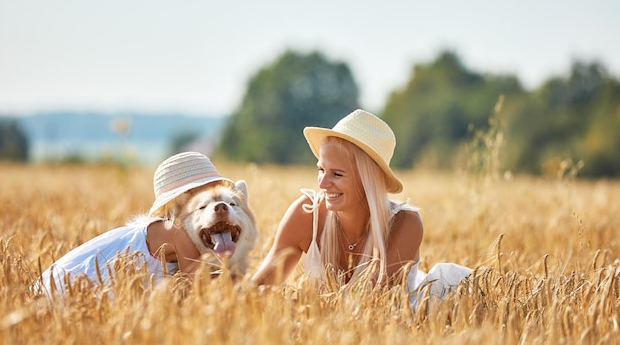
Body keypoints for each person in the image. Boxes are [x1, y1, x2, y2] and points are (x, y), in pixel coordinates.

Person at [252, 109, 472, 306]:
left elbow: (367, 305)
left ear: (367, 180)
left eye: (337, 174)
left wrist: (298, 307)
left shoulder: (405, 223)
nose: (322, 184)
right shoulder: (306, 214)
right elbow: (257, 289)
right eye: (321, 170)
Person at [38, 151, 232, 296]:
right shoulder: (176, 234)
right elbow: (199, 292)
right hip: (70, 291)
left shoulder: (165, 229)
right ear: (180, 203)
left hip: (67, 285)